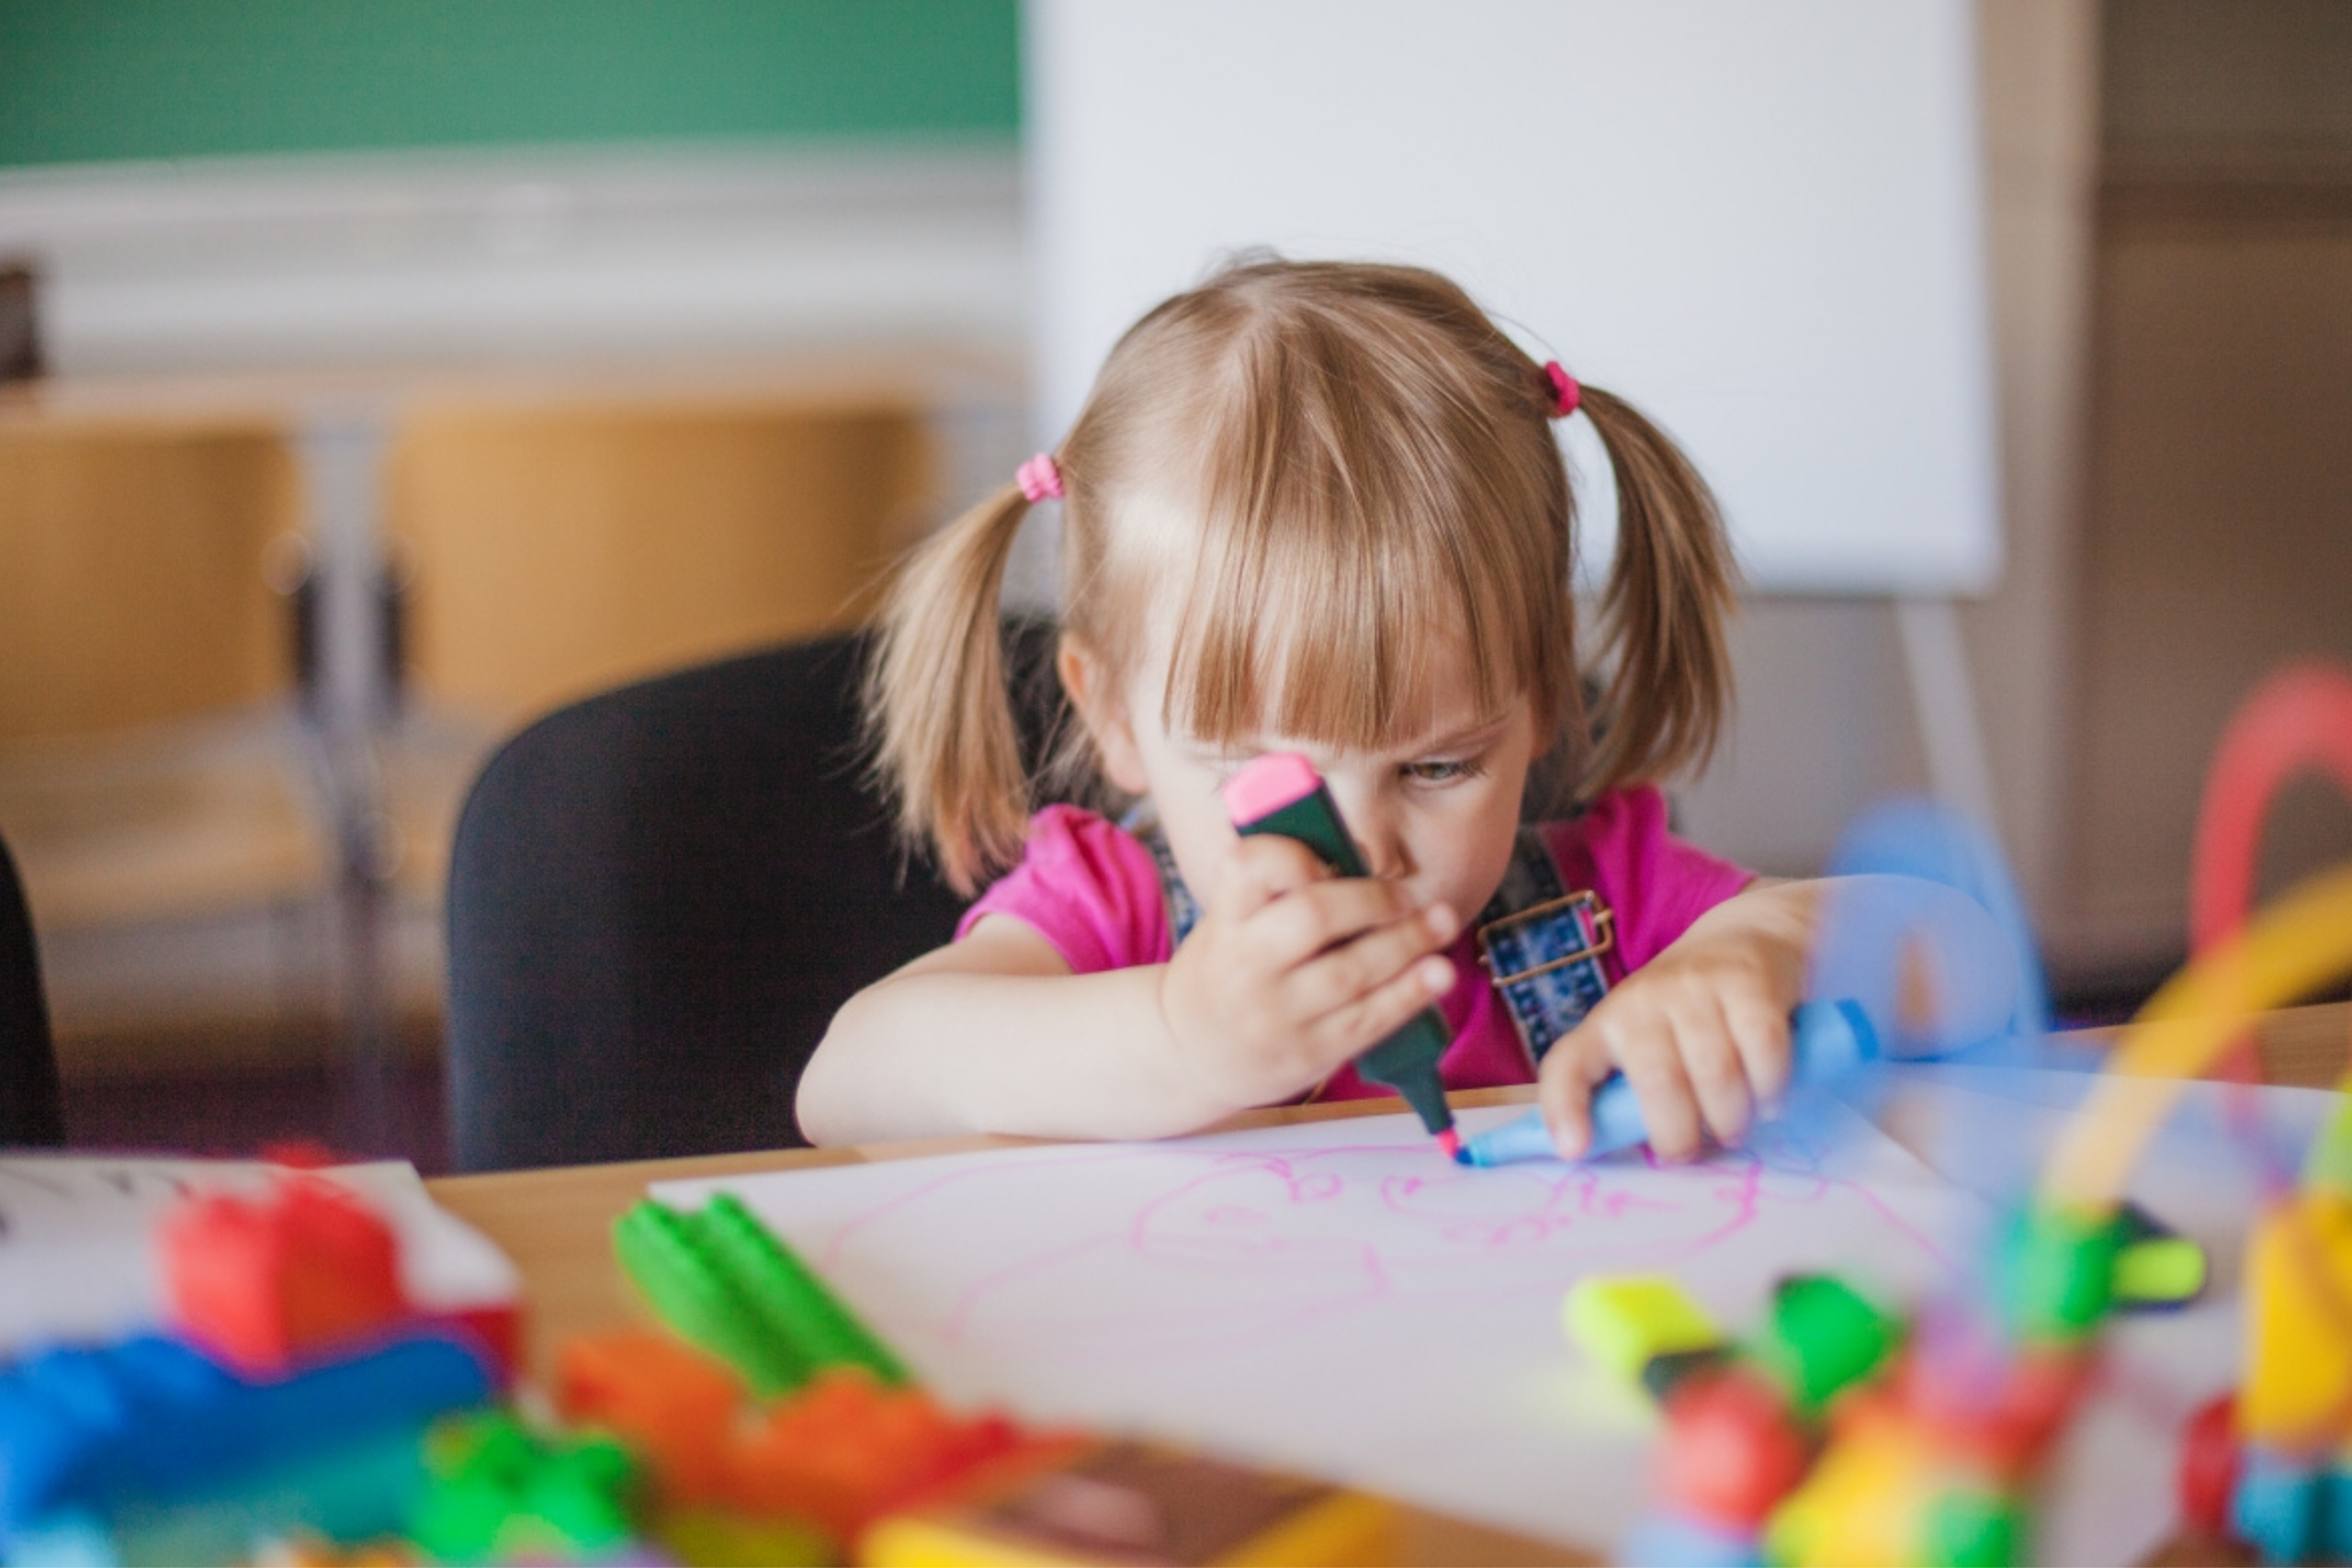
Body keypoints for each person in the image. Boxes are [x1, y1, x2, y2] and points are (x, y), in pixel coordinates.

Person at [797, 256, 1824, 1158]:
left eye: (1436, 768)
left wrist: (1755, 954)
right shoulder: (1117, 915)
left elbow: (1952, 944)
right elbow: (846, 1086)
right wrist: (1180, 1036)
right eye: (1272, 779)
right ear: (1113, 717)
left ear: (1543, 694)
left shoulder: (1604, 900)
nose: (1364, 849)